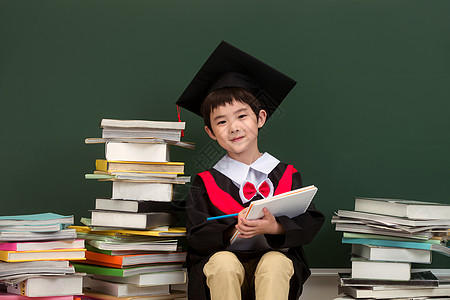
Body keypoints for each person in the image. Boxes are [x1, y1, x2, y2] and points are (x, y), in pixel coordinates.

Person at [176, 41, 325, 300]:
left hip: (274, 275)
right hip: (221, 277)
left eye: (242, 116)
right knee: (223, 262)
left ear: (261, 118)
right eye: (221, 121)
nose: (233, 127)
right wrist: (232, 230)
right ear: (210, 132)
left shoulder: (286, 175)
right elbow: (197, 235)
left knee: (274, 262)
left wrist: (274, 227)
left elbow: (308, 222)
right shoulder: (205, 182)